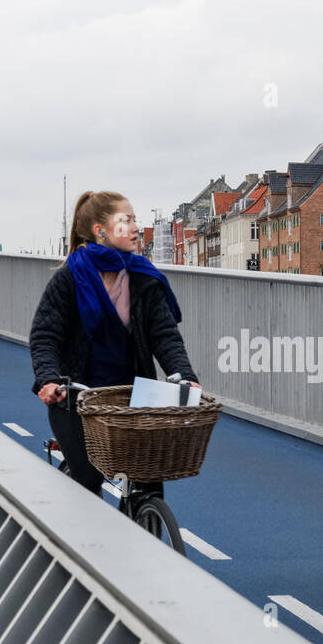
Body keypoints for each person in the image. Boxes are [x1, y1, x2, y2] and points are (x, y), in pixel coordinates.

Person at [29, 191, 200, 495]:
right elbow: (45, 335)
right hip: (78, 397)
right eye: (126, 220)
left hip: (132, 393)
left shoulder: (144, 279)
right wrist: (48, 379)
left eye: (135, 219)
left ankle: (147, 523)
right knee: (88, 479)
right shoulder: (69, 279)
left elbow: (165, 336)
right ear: (101, 231)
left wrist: (185, 376)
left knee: (150, 482)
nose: (135, 228)